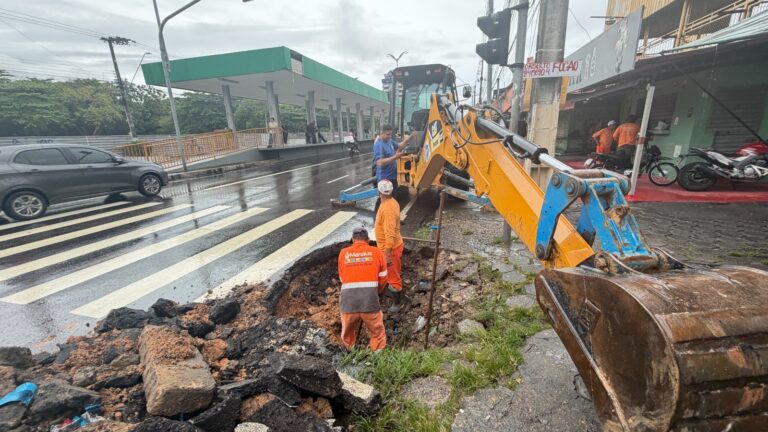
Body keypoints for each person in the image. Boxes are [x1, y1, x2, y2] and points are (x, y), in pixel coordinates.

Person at [337, 227, 388, 351]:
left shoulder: (343, 253)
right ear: (368, 240)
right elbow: (383, 278)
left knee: (347, 334)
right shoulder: (377, 252)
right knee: (377, 333)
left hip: (348, 303)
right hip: (369, 301)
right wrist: (377, 292)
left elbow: (342, 279)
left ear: (353, 240)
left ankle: (350, 352)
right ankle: (378, 356)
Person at [374, 180, 404, 313]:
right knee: (389, 273)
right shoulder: (391, 202)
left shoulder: (387, 209)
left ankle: (397, 303)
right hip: (388, 247)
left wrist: (387, 254)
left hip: (390, 249)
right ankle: (388, 288)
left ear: (379, 192)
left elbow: (390, 234)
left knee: (393, 276)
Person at [373, 124, 410, 214]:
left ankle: (393, 217)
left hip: (392, 177)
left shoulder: (389, 141)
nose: (389, 136)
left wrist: (409, 139)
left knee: (394, 198)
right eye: (387, 134)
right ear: (381, 133)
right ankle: (381, 219)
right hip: (384, 178)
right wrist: (395, 157)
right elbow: (380, 162)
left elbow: (398, 146)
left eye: (390, 134)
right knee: (385, 201)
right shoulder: (379, 145)